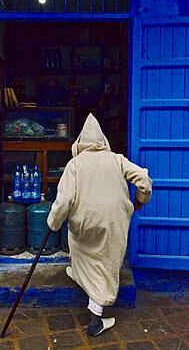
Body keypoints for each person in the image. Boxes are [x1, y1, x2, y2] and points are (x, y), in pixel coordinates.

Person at [47, 113, 152, 336]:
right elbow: (144, 180)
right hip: (114, 221)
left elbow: (63, 201)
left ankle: (96, 320)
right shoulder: (117, 159)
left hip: (85, 222)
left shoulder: (74, 165)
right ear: (103, 141)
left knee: (81, 247)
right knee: (106, 260)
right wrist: (138, 202)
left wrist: (53, 223)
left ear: (80, 144)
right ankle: (81, 278)